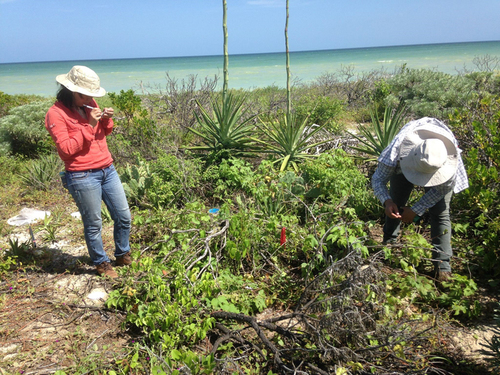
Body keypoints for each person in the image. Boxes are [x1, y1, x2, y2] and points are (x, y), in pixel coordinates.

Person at [45, 65, 132, 278]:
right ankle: (101, 263)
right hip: (81, 174)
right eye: (86, 95)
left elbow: (104, 132)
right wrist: (89, 125)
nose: (90, 99)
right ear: (72, 91)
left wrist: (105, 119)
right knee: (93, 223)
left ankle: (122, 254)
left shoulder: (89, 103)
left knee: (124, 216)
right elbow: (65, 151)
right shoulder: (55, 114)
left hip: (107, 169)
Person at [371, 117, 469, 281]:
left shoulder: (449, 160)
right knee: (396, 201)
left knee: (440, 213)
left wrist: (416, 210)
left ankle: (442, 266)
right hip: (405, 164)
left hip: (437, 167)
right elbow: (378, 179)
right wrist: (387, 202)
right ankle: (388, 247)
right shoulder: (396, 152)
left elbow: (442, 189)